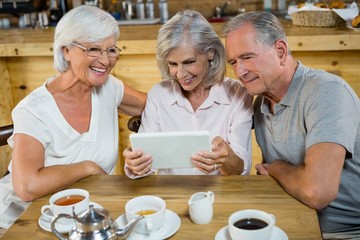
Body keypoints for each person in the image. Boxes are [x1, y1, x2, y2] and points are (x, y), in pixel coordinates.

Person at [0, 5, 146, 231]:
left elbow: (157, 107)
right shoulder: (33, 110)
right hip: (20, 220)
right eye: (94, 49)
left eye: (111, 50)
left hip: (82, 220)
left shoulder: (108, 87)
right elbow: (26, 186)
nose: (105, 61)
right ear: (66, 50)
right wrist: (86, 168)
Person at [224, 11, 360, 239]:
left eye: (247, 57)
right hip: (294, 220)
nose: (240, 71)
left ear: (280, 51)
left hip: (347, 231)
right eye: (234, 62)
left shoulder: (325, 91)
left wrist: (276, 168)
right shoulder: (259, 104)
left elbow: (317, 192)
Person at [123, 10, 253, 178]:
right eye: (173, 64)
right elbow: (144, 168)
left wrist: (225, 159)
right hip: (171, 196)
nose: (181, 74)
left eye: (189, 62)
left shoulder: (238, 94)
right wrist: (136, 165)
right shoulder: (158, 95)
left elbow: (240, 170)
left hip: (221, 196)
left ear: (210, 53)